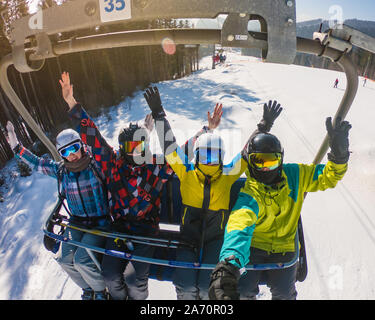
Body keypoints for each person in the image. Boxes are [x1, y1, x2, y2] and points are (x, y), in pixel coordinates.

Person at [59, 72, 223, 300]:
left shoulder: (154, 166)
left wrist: (207, 130)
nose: (139, 151)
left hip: (147, 231)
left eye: (142, 145)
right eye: (133, 146)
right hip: (121, 229)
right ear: (124, 149)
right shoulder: (113, 163)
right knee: (110, 275)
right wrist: (72, 103)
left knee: (134, 281)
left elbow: (180, 152)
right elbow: (93, 137)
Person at [144, 86, 282, 300]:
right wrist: (159, 114)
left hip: (216, 240)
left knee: (209, 283)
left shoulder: (227, 175)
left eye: (214, 157)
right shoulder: (186, 171)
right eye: (205, 157)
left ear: (222, 158)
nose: (209, 163)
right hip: (187, 238)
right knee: (185, 284)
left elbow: (248, 152)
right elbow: (169, 146)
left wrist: (264, 126)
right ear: (196, 157)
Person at [208, 116, 352, 300]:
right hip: (253, 250)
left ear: (281, 160)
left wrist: (339, 157)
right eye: (259, 162)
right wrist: (229, 264)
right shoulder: (251, 193)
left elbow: (328, 177)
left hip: (285, 250)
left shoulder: (295, 175)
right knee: (243, 292)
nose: (265, 169)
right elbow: (239, 225)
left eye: (271, 162)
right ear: (250, 163)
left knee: (284, 294)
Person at [6, 122, 109, 300]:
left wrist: (138, 141)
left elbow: (115, 159)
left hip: (99, 223)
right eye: (65, 153)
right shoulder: (62, 171)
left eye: (74, 148)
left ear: (82, 146)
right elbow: (38, 163)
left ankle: (101, 292)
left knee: (82, 260)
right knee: (63, 259)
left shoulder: (96, 166)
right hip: (77, 223)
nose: (72, 155)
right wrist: (17, 147)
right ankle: (88, 289)